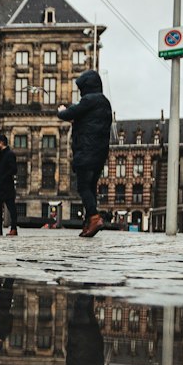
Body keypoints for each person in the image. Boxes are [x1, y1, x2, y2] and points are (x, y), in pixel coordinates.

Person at [57, 69, 113, 240]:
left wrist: (61, 110)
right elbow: (90, 122)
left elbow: (67, 114)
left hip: (86, 151)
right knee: (91, 188)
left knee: (83, 187)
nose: (81, 93)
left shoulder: (89, 100)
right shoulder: (104, 102)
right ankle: (88, 223)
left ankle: (95, 218)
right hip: (100, 152)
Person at [0, 134, 18, 237]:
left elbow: (14, 169)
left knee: (11, 208)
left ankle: (14, 229)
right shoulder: (2, 154)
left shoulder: (9, 154)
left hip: (7, 186)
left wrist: (3, 177)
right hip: (0, 187)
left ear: (1, 143)